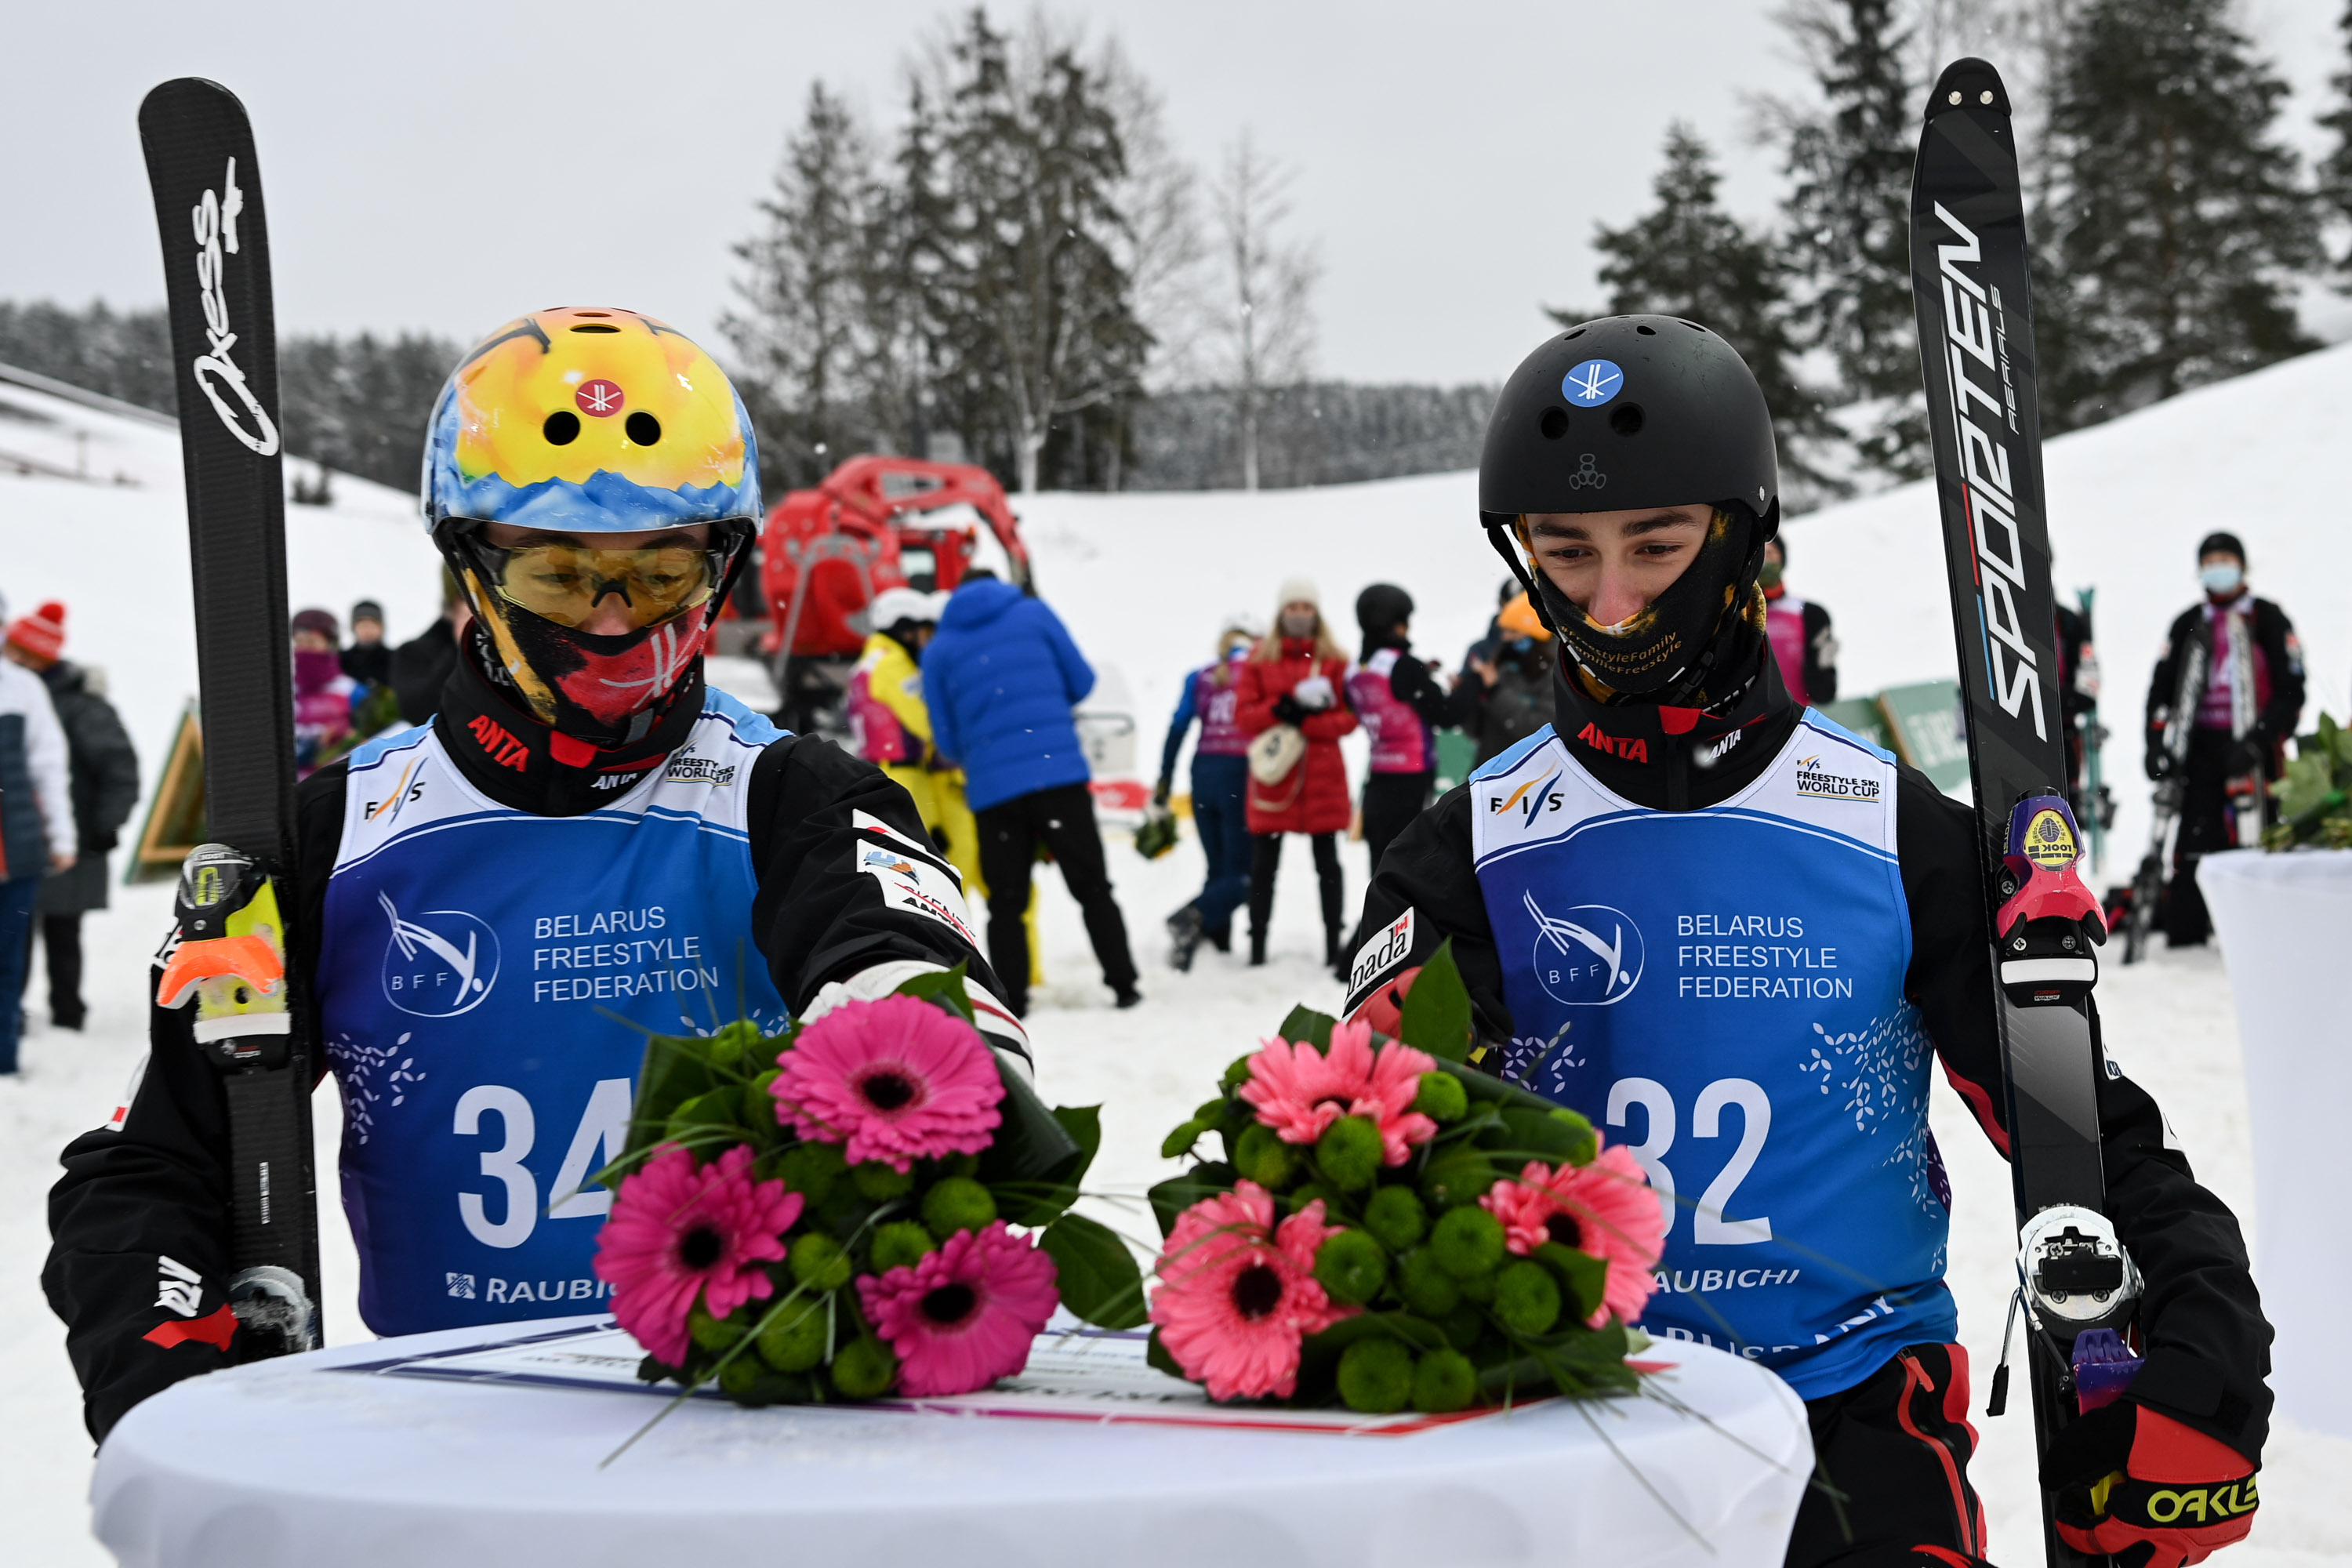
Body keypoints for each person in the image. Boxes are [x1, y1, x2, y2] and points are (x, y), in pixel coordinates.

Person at [1343, 316, 2270, 1568]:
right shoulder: (1469, 849)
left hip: (1854, 1405)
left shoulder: (1897, 830)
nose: (1611, 602)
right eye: (1566, 554)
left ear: (1742, 541)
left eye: (1657, 546)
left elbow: (2073, 1121)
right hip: (1569, 1412)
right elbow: (1372, 1154)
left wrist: (2198, 1318)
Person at [45, 307, 1026, 1442]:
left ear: (721, 570)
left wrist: (917, 1034)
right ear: (472, 564)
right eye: (562, 578)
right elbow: (152, 1162)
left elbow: (935, 1018)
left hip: (757, 1435)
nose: (614, 625)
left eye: (660, 575)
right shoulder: (333, 835)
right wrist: (164, 1365)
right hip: (449, 1448)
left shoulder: (798, 800)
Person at [922, 574, 1141, 1014]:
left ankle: (1014, 999)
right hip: (1058, 775)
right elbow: (1082, 681)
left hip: (994, 791)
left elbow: (944, 739)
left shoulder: (939, 650)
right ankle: (1123, 984)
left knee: (1007, 903)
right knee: (1093, 887)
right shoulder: (1034, 614)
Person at [847, 587, 1041, 989]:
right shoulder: (893, 667)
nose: (926, 641)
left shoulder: (872, 662)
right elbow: (929, 723)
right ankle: (963, 969)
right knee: (945, 875)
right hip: (911, 777)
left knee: (935, 874)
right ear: (902, 628)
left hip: (905, 775)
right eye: (920, 631)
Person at [2144, 532, 2304, 946]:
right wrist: (2156, 743)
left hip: (2252, 748)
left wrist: (2259, 739)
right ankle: (2187, 927)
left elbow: (2292, 689)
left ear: (2242, 565)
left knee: (2257, 833)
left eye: (2225, 560)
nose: (2218, 568)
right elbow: (2161, 689)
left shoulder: (2267, 617)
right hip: (2200, 747)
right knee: (2197, 835)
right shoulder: (2188, 623)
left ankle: (2259, 929)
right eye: (2210, 561)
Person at [3, 601, 138, 1032]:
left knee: (62, 934)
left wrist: (104, 826)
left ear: (42, 657)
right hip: (24, 837)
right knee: (16, 932)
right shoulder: (16, 694)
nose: (11, 659)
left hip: (75, 840)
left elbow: (120, 769)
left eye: (20, 653)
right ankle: (15, 1015)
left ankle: (67, 1014)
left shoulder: (83, 708)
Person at [1236, 579, 1358, 974]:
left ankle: (1331, 944)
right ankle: (1256, 944)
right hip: (1276, 779)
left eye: (1307, 607)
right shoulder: (1258, 660)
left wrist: (1309, 725)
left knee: (1328, 864)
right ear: (1281, 612)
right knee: (1262, 867)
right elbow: (1244, 717)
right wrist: (1281, 708)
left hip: (1323, 777)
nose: (1300, 615)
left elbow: (1349, 719)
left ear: (1316, 612)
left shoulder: (1337, 660)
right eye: (1293, 607)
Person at [1157, 615, 1261, 971]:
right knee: (1244, 874)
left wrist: (1164, 780)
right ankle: (1192, 916)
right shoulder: (1257, 674)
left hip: (1202, 772)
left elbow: (1178, 727)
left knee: (1217, 865)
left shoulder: (1200, 676)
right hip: (1240, 773)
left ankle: (1213, 945)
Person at [0, 591, 74, 1075]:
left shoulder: (22, 688)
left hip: (14, 849)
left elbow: (50, 768)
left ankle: (3, 1061)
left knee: (8, 960)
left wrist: (62, 837)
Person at [1348, 583, 1453, 876]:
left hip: (1379, 777)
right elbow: (1446, 715)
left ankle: (1377, 920)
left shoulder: (1357, 670)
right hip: (1411, 777)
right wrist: (1475, 684)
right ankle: (1401, 921)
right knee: (1410, 868)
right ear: (1398, 624)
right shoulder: (1404, 665)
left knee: (1381, 868)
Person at [1450, 590, 1555, 766]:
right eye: (1504, 631)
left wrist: (1496, 691)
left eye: (1513, 631)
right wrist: (1465, 697)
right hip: (1491, 769)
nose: (1505, 638)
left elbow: (1540, 730)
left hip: (1530, 774)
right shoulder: (1504, 669)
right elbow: (1478, 731)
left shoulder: (1553, 674)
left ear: (1534, 634)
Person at [1761, 534, 1837, 706]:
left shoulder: (1810, 613)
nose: (1765, 561)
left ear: (1782, 559)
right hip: (1748, 722)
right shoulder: (1735, 612)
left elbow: (1825, 693)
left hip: (1797, 717)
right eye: (1760, 554)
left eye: (1771, 553)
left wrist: (1822, 665)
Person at [390, 572, 470, 728]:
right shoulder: (413, 652)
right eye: (467, 613)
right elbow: (417, 712)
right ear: (452, 608)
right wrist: (463, 650)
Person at [290, 607, 359, 779]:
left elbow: (379, 742)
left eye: (312, 642)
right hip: (298, 788)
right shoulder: (287, 692)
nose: (304, 649)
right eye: (299, 642)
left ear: (329, 645)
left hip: (341, 785)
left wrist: (350, 739)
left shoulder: (350, 690)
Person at [341, 599, 393, 688]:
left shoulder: (394, 659)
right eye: (363, 625)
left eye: (373, 625)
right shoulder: (342, 661)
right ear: (354, 628)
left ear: (381, 628)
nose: (367, 630)